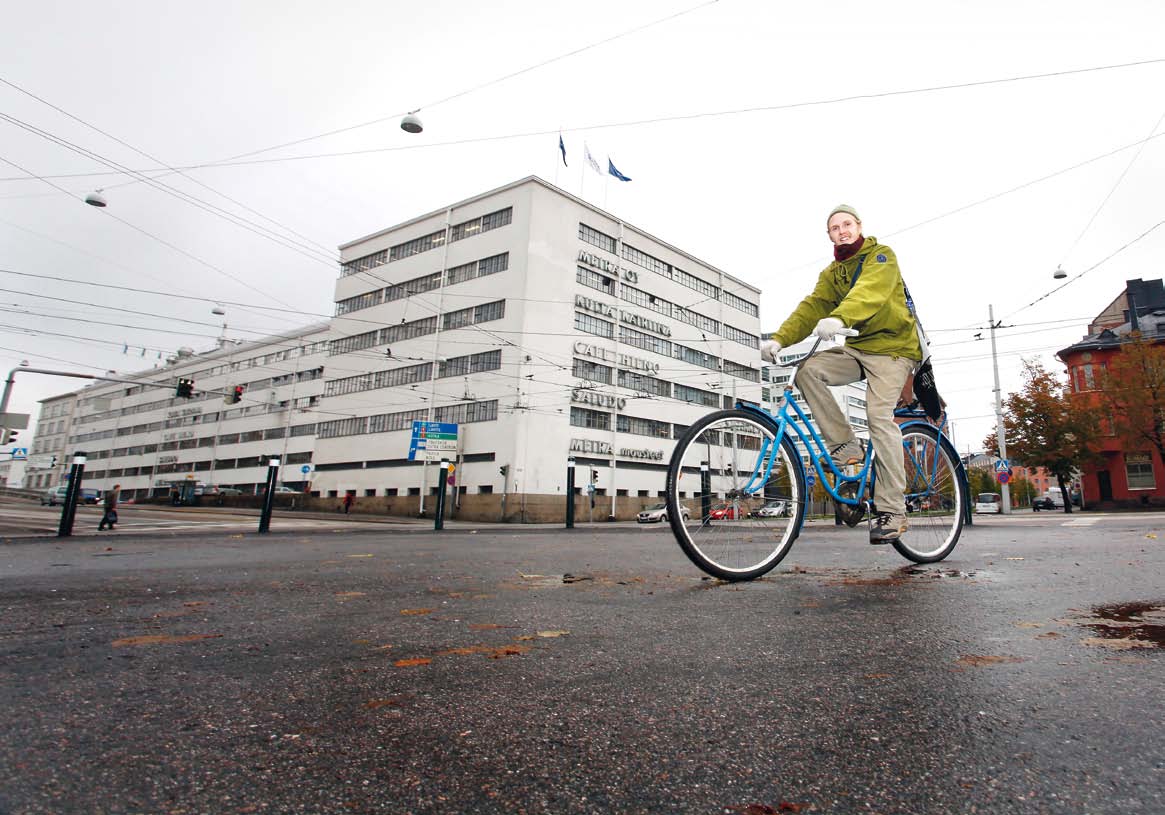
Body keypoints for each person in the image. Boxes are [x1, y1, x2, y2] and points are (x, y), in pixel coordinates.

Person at [761, 205, 921, 544]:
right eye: (835, 228)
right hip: (858, 348)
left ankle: (892, 511)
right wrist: (780, 338)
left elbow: (871, 292)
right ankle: (847, 449)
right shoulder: (832, 274)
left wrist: (841, 317)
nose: (842, 231)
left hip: (893, 349)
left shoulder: (881, 256)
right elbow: (811, 307)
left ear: (859, 226)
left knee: (878, 416)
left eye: (847, 224)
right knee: (808, 371)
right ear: (830, 235)